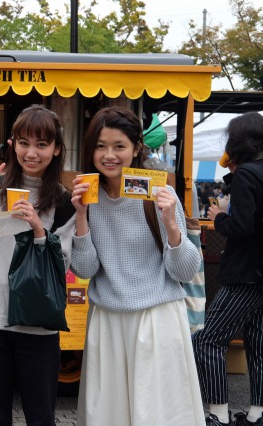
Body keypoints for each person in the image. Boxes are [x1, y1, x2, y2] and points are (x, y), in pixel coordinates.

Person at [70, 106, 203, 426]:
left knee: (158, 415)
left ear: (135, 149)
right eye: (101, 146)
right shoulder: (87, 194)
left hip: (156, 319)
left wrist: (171, 222)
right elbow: (85, 270)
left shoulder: (159, 192)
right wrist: (80, 217)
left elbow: (185, 272)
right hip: (107, 322)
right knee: (108, 416)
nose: (109, 155)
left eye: (119, 146)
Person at [0, 104, 76, 425]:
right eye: (24, 143)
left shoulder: (62, 203)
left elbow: (61, 267)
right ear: (12, 145)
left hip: (36, 323)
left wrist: (38, 229)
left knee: (41, 416)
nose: (31, 153)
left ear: (56, 149)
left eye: (41, 144)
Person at [192, 112, 263, 426]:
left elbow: (242, 227)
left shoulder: (248, 174)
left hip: (245, 274)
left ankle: (217, 413)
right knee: (258, 346)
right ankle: (258, 414)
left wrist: (219, 215)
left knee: (207, 339)